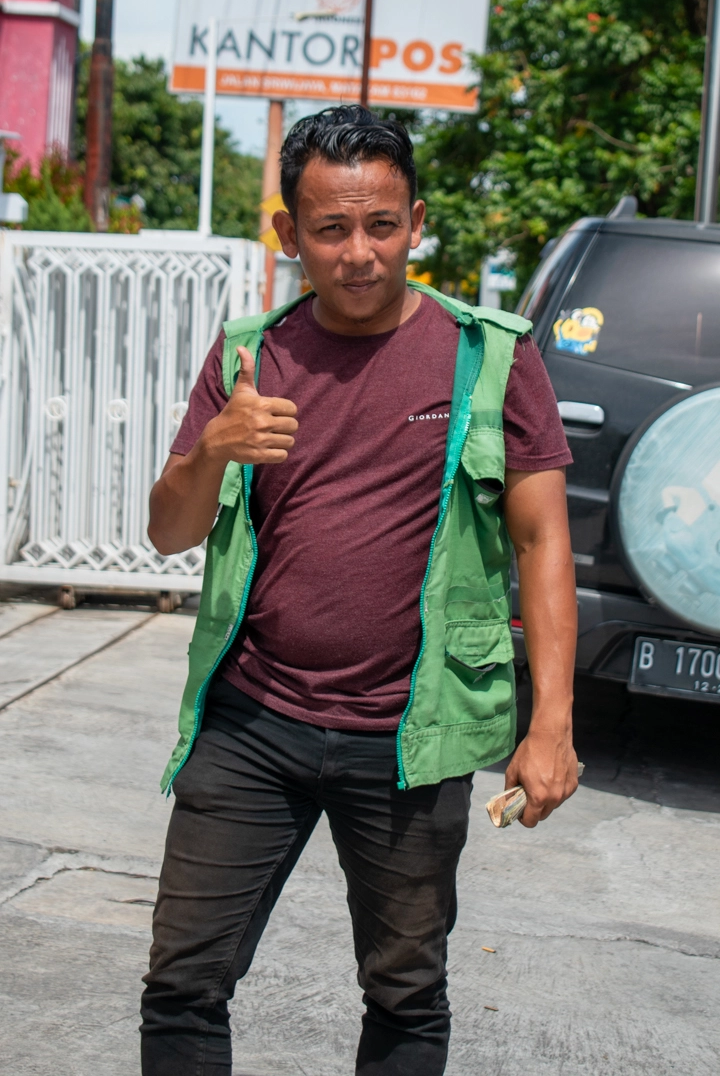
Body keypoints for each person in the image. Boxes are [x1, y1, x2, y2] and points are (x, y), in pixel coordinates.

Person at [141, 106, 578, 1076]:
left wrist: (552, 723)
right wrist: (211, 449)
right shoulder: (249, 357)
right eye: (330, 230)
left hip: (409, 740)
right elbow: (168, 530)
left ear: (416, 220)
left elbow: (545, 538)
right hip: (251, 721)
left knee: (407, 994)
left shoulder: (490, 358)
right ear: (287, 232)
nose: (359, 253)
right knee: (182, 984)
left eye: (381, 224)